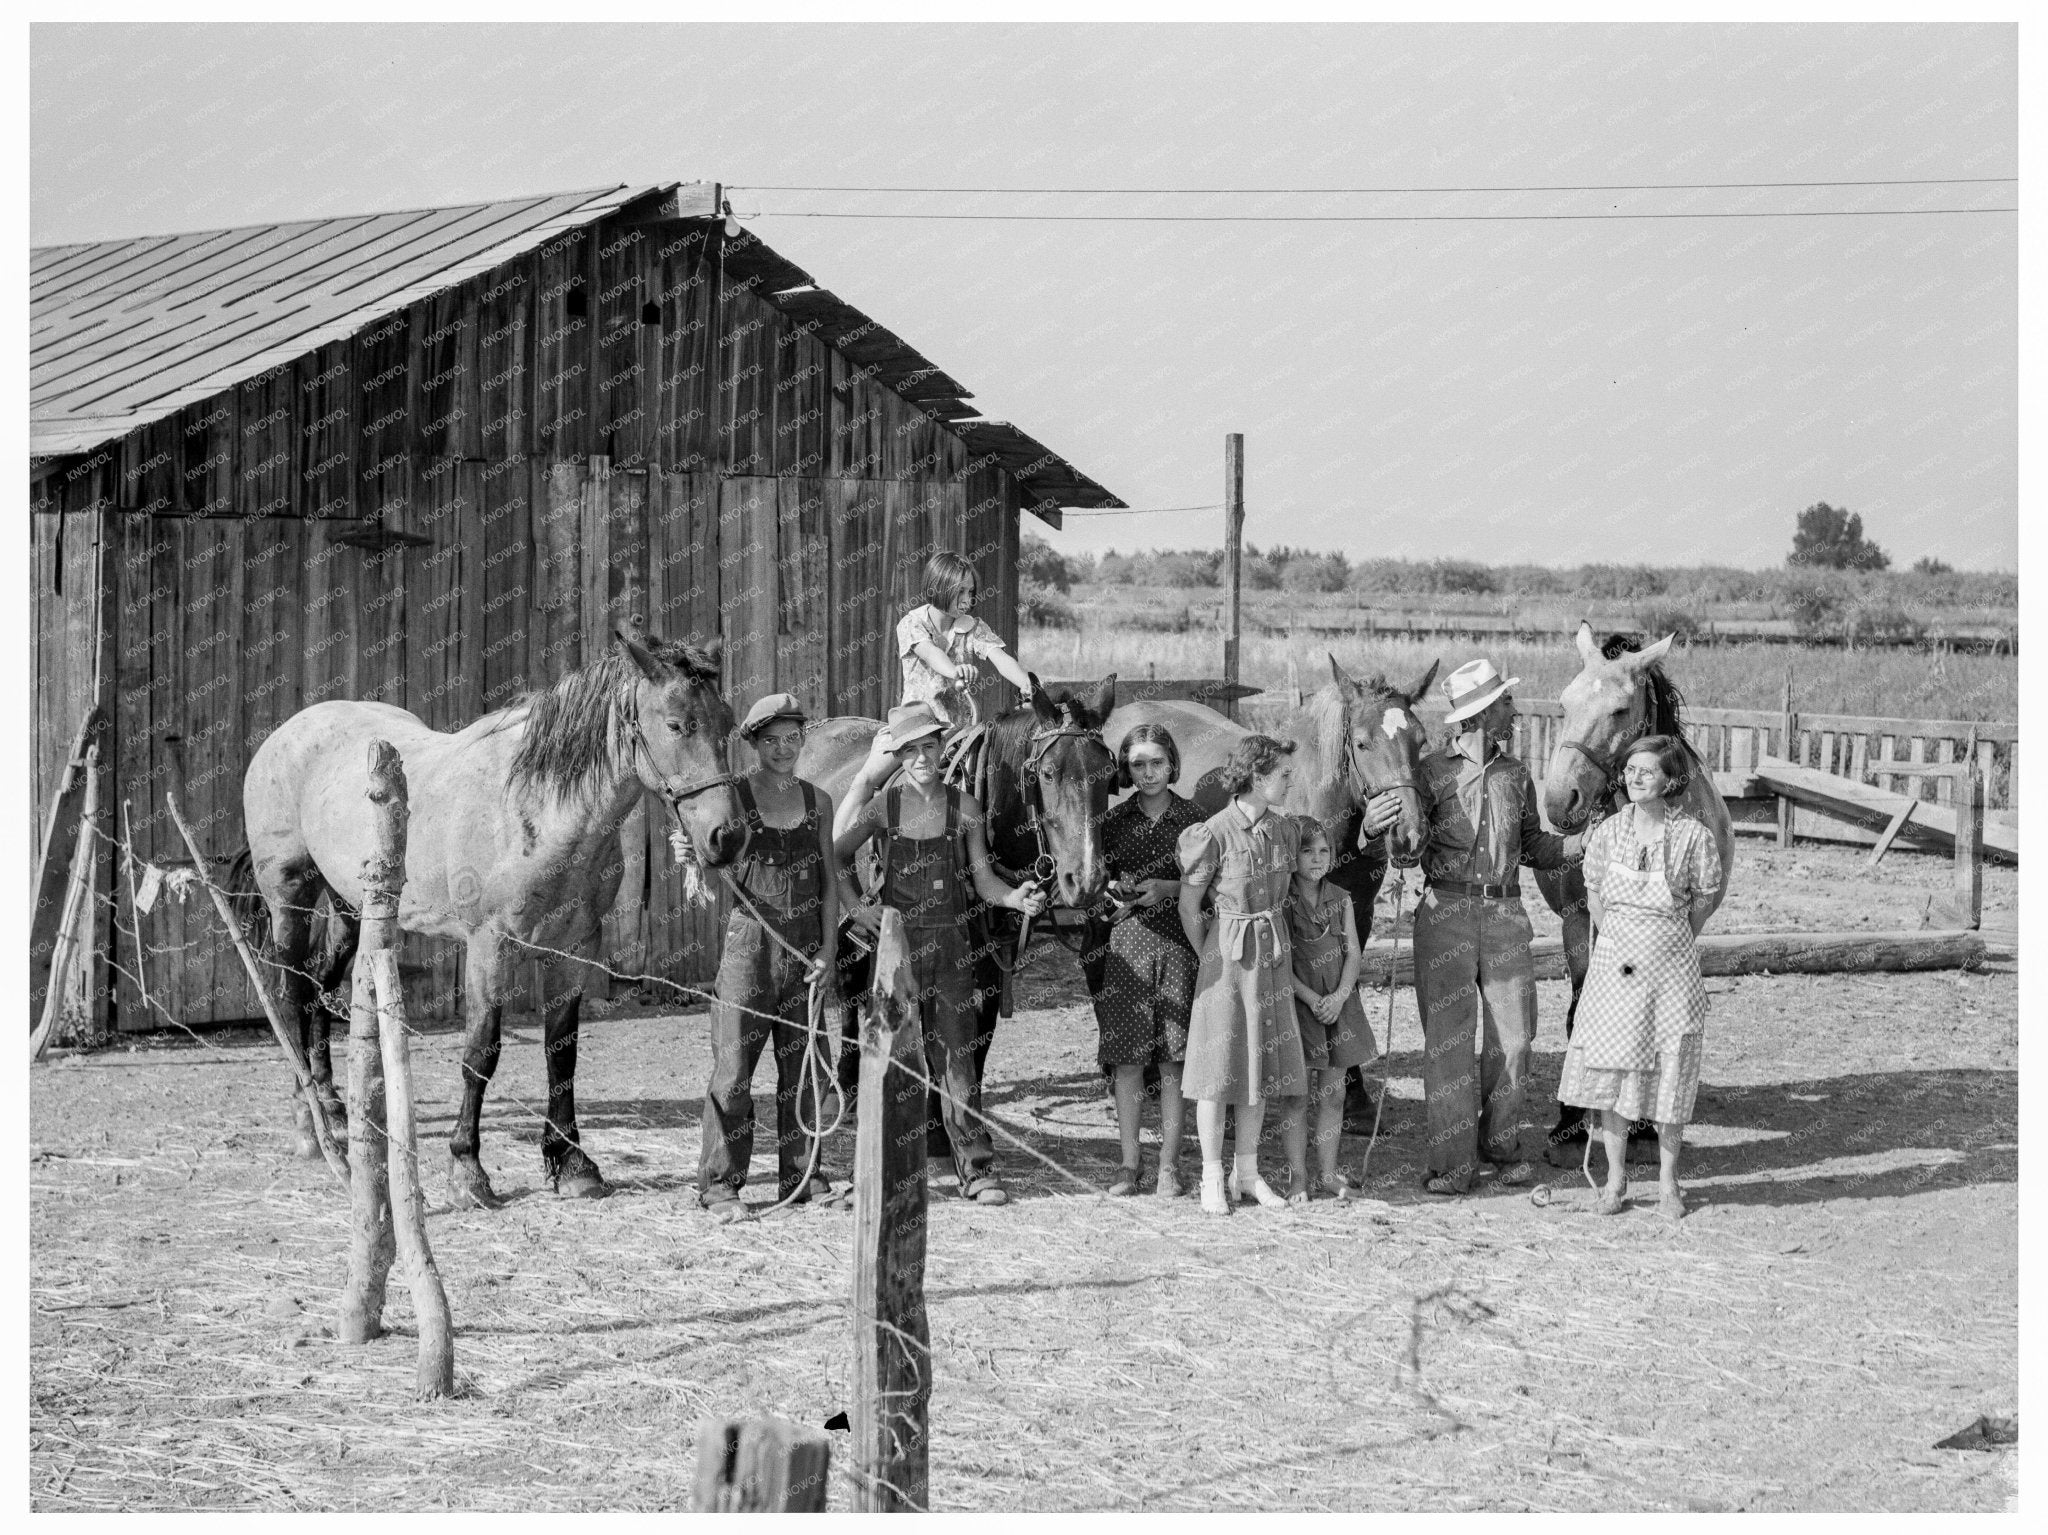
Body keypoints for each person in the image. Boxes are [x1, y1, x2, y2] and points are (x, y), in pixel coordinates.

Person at [1376, 658, 1581, 1197]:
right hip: (1444, 913)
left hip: (1506, 916)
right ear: (1483, 713)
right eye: (1507, 703)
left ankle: (1502, 1147)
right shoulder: (1429, 774)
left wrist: (1588, 840)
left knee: (1514, 1041)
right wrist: (1389, 838)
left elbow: (1536, 846)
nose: (1514, 710)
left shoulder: (1516, 774)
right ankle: (1453, 1164)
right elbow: (1405, 846)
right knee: (1449, 1044)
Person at [834, 701, 1049, 1205]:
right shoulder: (882, 807)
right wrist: (857, 910)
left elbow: (983, 879)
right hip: (893, 950)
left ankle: (975, 1169)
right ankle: (874, 1170)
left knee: (956, 1058)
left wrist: (1013, 898)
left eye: (929, 746)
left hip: (952, 947)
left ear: (939, 748)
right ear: (899, 755)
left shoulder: (965, 808)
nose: (922, 757)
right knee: (886, 1057)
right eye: (910, 750)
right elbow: (838, 856)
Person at [1556, 734, 1723, 1221]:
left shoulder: (1693, 836)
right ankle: (1614, 1180)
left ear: (1670, 779)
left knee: (1670, 1071)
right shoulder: (1608, 833)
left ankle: (1669, 1184)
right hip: (1617, 970)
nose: (1635, 778)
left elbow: (1703, 901)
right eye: (1630, 771)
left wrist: (1666, 944)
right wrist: (1623, 948)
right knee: (1614, 1072)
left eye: (1647, 771)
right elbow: (1595, 898)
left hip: (1672, 970)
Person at [697, 693, 841, 1218]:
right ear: (753, 744)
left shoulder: (819, 801)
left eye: (792, 738)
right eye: (772, 740)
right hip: (748, 951)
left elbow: (829, 882)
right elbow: (705, 847)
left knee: (802, 1069)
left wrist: (827, 950)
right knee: (733, 1070)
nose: (784, 749)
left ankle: (801, 1176)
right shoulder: (733, 796)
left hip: (804, 952)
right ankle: (720, 1184)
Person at [1177, 735, 1307, 1216]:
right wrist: (1213, 956)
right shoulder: (1211, 833)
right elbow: (1190, 908)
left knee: (1259, 1071)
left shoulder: (1286, 831)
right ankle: (1212, 1176)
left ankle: (1247, 1174)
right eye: (1283, 774)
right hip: (1226, 961)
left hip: (1272, 959)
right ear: (1257, 775)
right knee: (1216, 1073)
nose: (1290, 780)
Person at [1085, 724, 1204, 1198]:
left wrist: (1170, 889)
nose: (1148, 772)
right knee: (1128, 1063)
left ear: (1173, 763)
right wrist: (1111, 897)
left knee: (1174, 1064)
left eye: (1157, 762)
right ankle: (1128, 1165)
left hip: (1179, 946)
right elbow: (1094, 889)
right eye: (1138, 764)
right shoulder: (1112, 823)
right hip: (1127, 948)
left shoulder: (1195, 820)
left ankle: (1169, 1167)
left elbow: (1213, 884)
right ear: (1125, 768)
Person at [1283, 818, 1377, 1203]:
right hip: (1301, 1004)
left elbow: (1353, 951)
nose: (1317, 859)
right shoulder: (1283, 901)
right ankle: (1297, 1177)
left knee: (1334, 1094)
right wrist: (1310, 998)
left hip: (1338, 1005)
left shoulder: (1340, 897)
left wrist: (1339, 996)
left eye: (1324, 851)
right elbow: (1281, 962)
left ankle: (1327, 1172)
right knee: (1296, 1096)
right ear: (1292, 857)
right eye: (1307, 851)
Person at [895, 551, 1034, 730]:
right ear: (938, 587)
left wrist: (1029, 685)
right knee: (880, 752)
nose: (967, 600)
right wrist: (955, 671)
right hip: (915, 726)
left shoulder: (973, 626)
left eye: (971, 592)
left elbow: (1001, 659)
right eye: (960, 591)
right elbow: (930, 653)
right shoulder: (912, 623)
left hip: (959, 729)